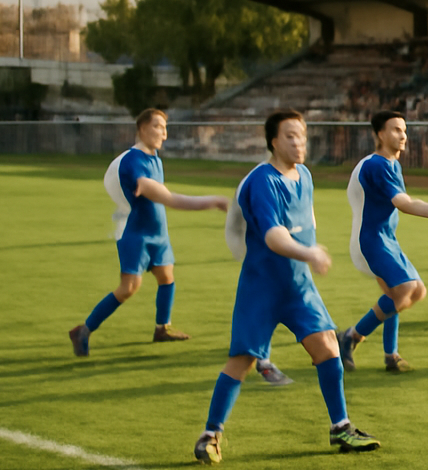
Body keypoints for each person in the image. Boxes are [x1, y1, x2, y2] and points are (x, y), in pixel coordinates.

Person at [193, 110, 380, 465]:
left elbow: (304, 223)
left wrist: (308, 253)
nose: (299, 143)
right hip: (262, 287)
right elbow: (273, 236)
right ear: (273, 141)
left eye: (302, 136)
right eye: (291, 136)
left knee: (328, 347)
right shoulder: (262, 181)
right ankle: (210, 434)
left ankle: (341, 427)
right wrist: (309, 252)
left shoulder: (305, 176)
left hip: (298, 286)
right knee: (243, 360)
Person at [67, 109, 285, 377]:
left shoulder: (154, 159)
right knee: (128, 288)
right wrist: (211, 201)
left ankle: (162, 329)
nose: (163, 133)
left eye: (165, 127)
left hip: (158, 233)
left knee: (166, 277)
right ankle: (83, 330)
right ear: (142, 129)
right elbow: (167, 198)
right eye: (157, 126)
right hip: (136, 234)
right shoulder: (133, 161)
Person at [337, 109, 428, 373]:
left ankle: (389, 355)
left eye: (404, 130)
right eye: (396, 129)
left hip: (385, 239)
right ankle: (352, 336)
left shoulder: (391, 164)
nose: (403, 135)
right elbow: (402, 202)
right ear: (380, 134)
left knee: (414, 291)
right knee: (404, 288)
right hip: (369, 241)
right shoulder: (376, 165)